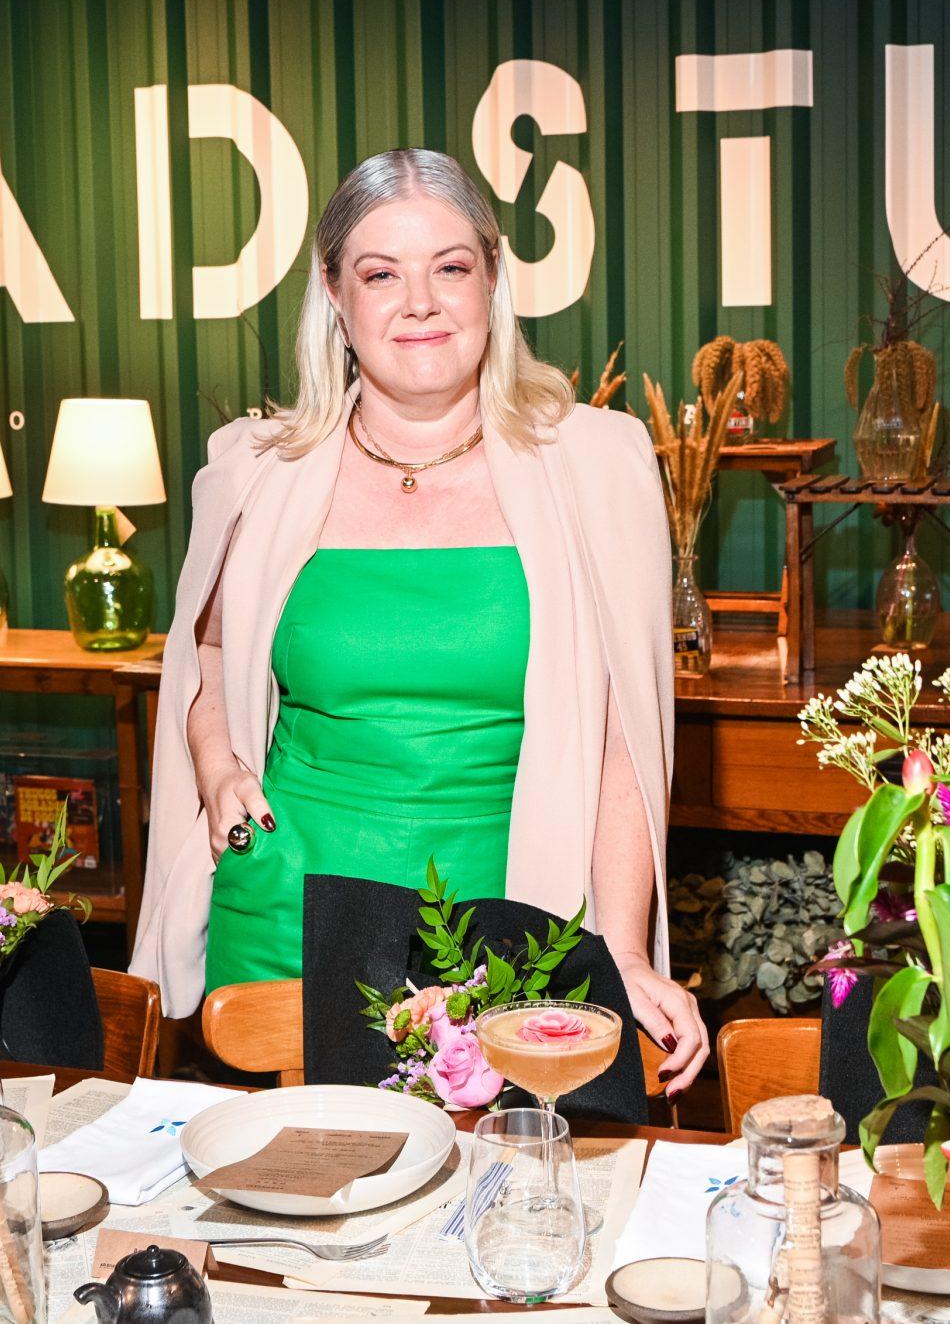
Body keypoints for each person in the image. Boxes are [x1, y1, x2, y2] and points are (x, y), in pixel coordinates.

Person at [129, 147, 708, 1094]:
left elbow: (623, 748)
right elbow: (210, 651)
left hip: (517, 918)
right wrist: (218, 765)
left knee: (507, 1183)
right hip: (288, 915)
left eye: (450, 266)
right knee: (289, 1184)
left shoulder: (600, 465)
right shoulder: (255, 470)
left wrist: (626, 950)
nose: (421, 303)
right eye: (380, 274)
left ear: (493, 276)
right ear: (334, 292)